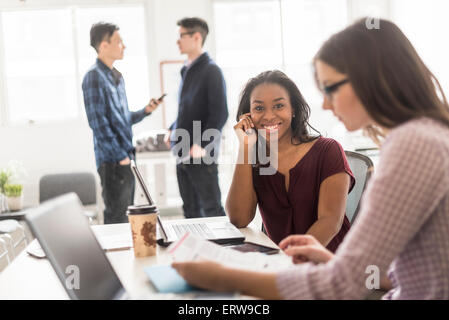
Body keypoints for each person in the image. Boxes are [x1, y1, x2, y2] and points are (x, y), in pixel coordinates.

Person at [172, 18, 449, 299]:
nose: (326, 104)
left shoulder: (413, 145)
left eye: (330, 88)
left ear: (370, 79)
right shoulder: (425, 136)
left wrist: (223, 277)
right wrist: (334, 263)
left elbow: (342, 283)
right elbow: (403, 274)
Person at [226, 70, 354, 252]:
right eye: (259, 108)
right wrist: (245, 147)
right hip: (283, 264)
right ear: (248, 116)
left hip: (331, 263)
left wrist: (290, 262)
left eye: (279, 106)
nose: (269, 116)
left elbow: (330, 222)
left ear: (293, 109)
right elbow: (239, 219)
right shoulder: (254, 160)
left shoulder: (328, 151)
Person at [82, 22, 161, 224]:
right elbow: (98, 123)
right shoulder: (93, 77)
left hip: (126, 157)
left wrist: (145, 111)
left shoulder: (117, 76)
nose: (123, 46)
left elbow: (121, 119)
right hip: (113, 161)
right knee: (117, 218)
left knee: (127, 216)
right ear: (103, 45)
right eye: (119, 41)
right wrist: (120, 157)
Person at [168, 17, 228, 218]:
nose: (177, 41)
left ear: (196, 37)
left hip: (201, 153)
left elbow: (220, 113)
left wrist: (202, 145)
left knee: (211, 211)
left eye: (181, 36)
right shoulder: (186, 69)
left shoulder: (211, 70)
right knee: (190, 212)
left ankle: (220, 250)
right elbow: (187, 109)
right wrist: (172, 129)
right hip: (183, 151)